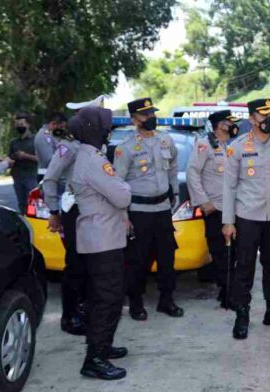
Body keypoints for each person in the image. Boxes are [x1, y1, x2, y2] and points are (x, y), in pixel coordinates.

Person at [222, 98, 270, 340]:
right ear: (252, 119)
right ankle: (242, 315)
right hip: (247, 217)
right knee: (244, 267)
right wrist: (228, 221)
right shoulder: (237, 147)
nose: (269, 120)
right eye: (264, 115)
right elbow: (229, 187)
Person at [70, 107, 131, 380]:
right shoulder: (94, 161)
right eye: (106, 126)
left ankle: (102, 346)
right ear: (95, 130)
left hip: (101, 237)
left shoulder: (89, 156)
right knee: (108, 299)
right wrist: (122, 185)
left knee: (102, 297)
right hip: (103, 240)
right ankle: (94, 359)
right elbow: (122, 196)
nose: (109, 131)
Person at [114, 98, 183, 321]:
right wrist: (123, 217)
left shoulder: (165, 140)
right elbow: (118, 184)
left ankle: (166, 301)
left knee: (167, 259)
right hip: (138, 212)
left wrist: (174, 192)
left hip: (163, 210)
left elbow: (173, 167)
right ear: (134, 119)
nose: (151, 118)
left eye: (152, 113)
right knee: (137, 262)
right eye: (145, 115)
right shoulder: (125, 148)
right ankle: (136, 304)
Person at [186, 110, 239, 309]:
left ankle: (227, 290)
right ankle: (228, 296)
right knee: (221, 254)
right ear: (219, 125)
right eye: (229, 122)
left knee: (233, 253)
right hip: (215, 209)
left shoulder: (229, 147)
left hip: (232, 209)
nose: (233, 126)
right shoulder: (204, 145)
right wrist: (203, 201)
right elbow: (192, 173)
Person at [43, 119, 85, 336]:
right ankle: (69, 317)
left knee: (88, 264)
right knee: (75, 264)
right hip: (74, 210)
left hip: (91, 211)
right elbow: (50, 178)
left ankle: (82, 310)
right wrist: (52, 211)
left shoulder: (93, 147)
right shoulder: (68, 147)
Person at [8, 112, 38, 213]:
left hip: (31, 176)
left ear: (28, 124)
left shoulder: (36, 140)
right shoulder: (14, 142)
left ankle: (33, 224)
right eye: (17, 125)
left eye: (21, 124)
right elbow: (10, 158)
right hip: (17, 176)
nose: (19, 127)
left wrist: (25, 156)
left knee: (32, 203)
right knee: (21, 204)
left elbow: (41, 159)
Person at [35, 112, 67, 182]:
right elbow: (48, 159)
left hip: (53, 176)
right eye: (61, 127)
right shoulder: (44, 135)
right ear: (53, 124)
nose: (62, 130)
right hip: (48, 177)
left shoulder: (50, 134)